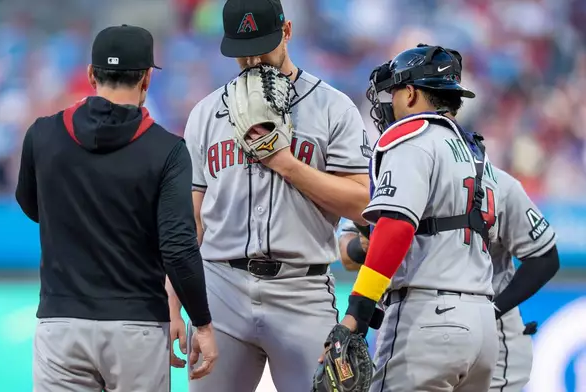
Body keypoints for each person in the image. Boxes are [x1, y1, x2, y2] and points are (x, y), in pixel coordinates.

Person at [166, 0, 371, 391]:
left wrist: (288, 165)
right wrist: (173, 297)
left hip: (302, 290)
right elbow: (188, 223)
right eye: (244, 52)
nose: (255, 59)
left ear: (287, 32)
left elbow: (362, 204)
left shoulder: (332, 107)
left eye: (265, 46)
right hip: (221, 290)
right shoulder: (207, 113)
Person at [15, 24, 217, 392]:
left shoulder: (41, 134)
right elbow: (178, 246)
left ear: (91, 75)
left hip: (60, 322)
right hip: (136, 327)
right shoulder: (167, 149)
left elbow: (30, 205)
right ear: (145, 80)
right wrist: (202, 323)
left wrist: (79, 221)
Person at [330, 44, 502, 392]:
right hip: (483, 326)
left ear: (410, 93)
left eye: (394, 91)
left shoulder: (411, 138)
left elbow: (396, 228)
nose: (389, 101)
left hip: (428, 321)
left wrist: (357, 313)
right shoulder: (477, 154)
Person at [338, 162, 560, 391]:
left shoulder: (499, 183)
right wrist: (367, 246)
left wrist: (493, 309)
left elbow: (545, 257)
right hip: (412, 327)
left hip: (493, 337)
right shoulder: (399, 175)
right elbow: (346, 255)